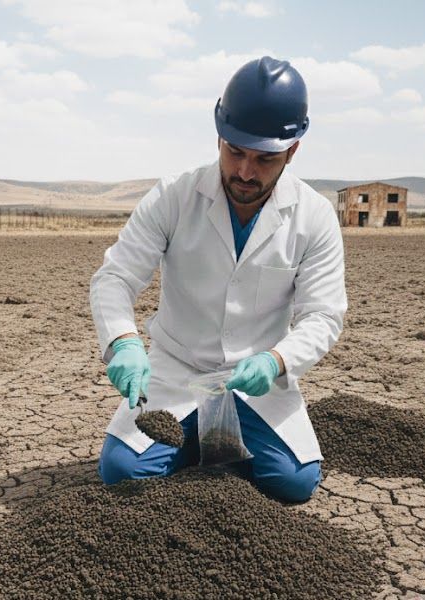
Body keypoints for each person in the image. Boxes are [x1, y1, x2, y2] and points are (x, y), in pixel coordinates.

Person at [89, 56, 347, 502]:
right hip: (177, 372)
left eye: (265, 159)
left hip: (253, 381)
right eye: (235, 151)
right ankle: (192, 440)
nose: (245, 172)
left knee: (294, 483)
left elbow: (323, 315)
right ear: (219, 136)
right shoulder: (173, 197)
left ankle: (203, 445)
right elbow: (114, 278)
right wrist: (124, 343)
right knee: (123, 474)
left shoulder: (314, 216)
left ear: (292, 150)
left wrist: (276, 361)